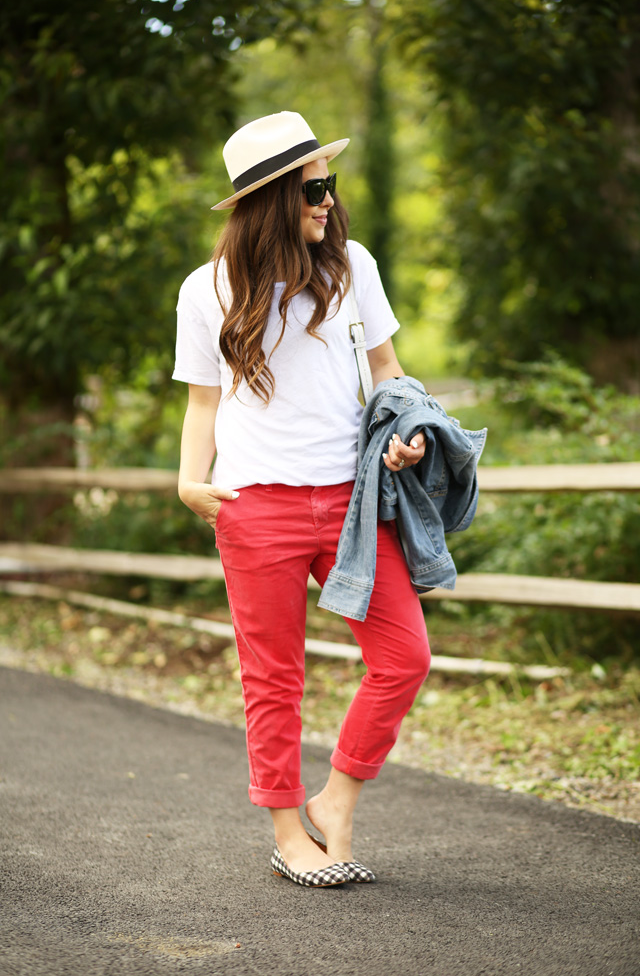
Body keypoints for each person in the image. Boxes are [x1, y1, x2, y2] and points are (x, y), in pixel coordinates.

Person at [173, 111, 431, 888]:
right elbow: (203, 404)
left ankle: (338, 798)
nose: (328, 200)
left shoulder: (353, 265)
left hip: (354, 502)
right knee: (273, 675)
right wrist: (189, 480)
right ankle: (289, 831)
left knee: (405, 656)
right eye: (313, 187)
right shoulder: (207, 289)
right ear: (272, 200)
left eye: (329, 183)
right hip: (255, 507)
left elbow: (387, 368)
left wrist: (404, 431)